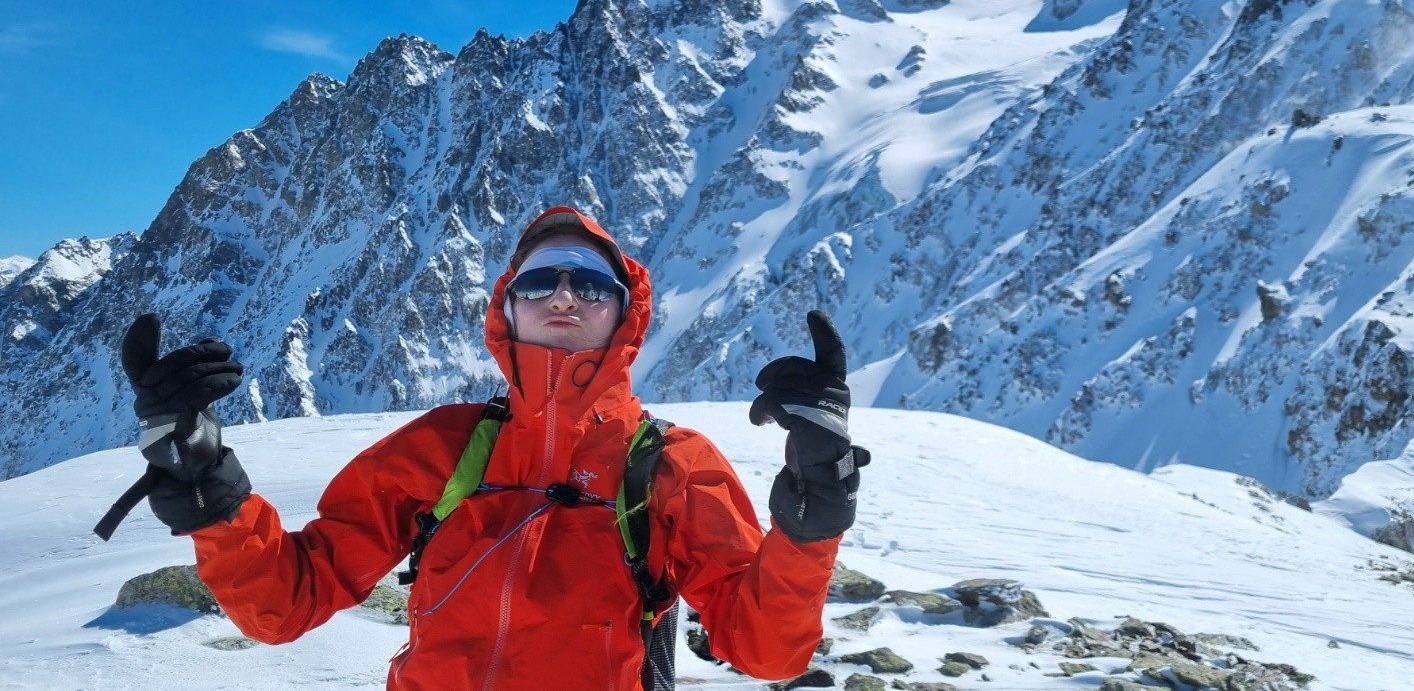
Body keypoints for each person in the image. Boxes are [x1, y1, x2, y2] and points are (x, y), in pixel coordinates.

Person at [103, 206, 868, 689]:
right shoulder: (443, 449)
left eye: (589, 284)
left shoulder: (671, 465)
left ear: (624, 315)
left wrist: (815, 515)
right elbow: (284, 603)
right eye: (540, 281)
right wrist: (205, 481)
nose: (563, 295)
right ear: (508, 310)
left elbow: (765, 650)